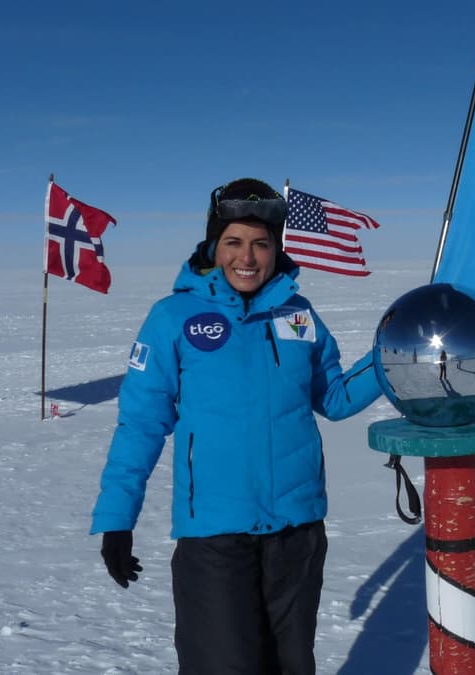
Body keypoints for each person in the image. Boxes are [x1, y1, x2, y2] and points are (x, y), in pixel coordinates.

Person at [90, 178, 383, 674]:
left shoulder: (299, 315)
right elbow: (141, 424)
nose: (247, 257)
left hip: (297, 531)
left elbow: (332, 398)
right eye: (233, 242)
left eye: (261, 243)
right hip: (214, 539)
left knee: (293, 666)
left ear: (276, 249)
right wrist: (118, 519)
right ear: (213, 245)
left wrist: (389, 358)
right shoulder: (172, 318)